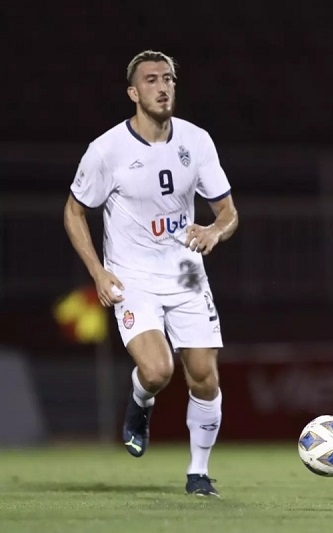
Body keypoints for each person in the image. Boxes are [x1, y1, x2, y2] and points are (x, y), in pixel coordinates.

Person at [63, 50, 239, 497]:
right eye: (151, 80)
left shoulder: (196, 141)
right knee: (158, 370)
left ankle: (198, 474)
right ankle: (141, 400)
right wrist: (98, 273)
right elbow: (73, 211)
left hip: (184, 271)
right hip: (131, 275)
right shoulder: (107, 150)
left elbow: (228, 212)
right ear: (133, 92)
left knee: (204, 373)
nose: (162, 87)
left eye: (168, 79)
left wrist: (216, 233)